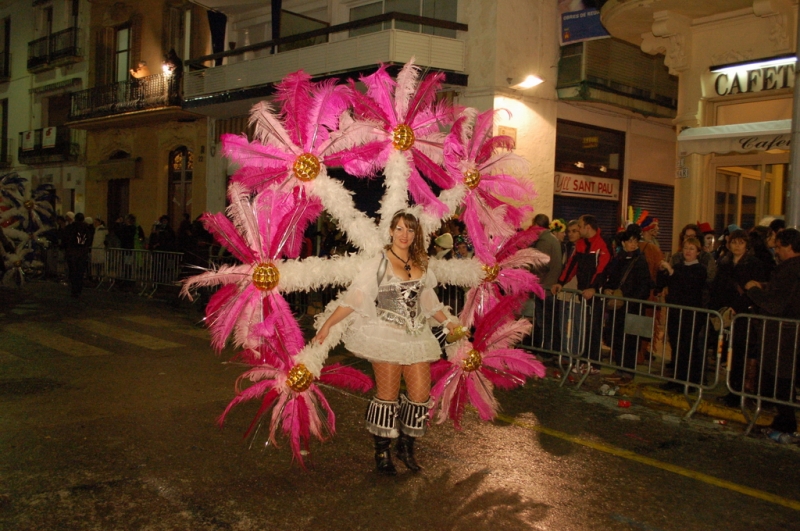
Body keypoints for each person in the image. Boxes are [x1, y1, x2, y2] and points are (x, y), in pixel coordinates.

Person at [314, 211, 464, 475]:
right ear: (391, 231)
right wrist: (328, 324)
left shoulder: (421, 262)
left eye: (410, 230)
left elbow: (428, 301)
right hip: (386, 334)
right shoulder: (379, 262)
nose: (405, 235)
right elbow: (356, 297)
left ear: (416, 234)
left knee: (420, 395)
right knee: (387, 397)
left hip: (416, 337)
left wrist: (449, 322)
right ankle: (382, 452)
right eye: (400, 229)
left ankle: (405, 446)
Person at [745, 228, 800, 442]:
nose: (776, 251)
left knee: (781, 380)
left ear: (789, 247)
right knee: (779, 380)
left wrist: (754, 291)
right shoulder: (789, 269)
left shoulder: (790, 270)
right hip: (783, 332)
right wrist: (763, 286)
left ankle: (786, 423)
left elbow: (776, 302)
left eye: (778, 247)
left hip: (783, 334)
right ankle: (782, 421)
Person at [710, 229, 768, 406]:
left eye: (741, 243)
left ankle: (741, 391)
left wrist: (737, 307)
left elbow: (753, 291)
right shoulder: (724, 263)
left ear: (746, 245)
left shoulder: (754, 264)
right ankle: (732, 389)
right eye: (734, 242)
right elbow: (717, 287)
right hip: (727, 312)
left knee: (742, 352)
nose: (737, 246)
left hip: (744, 314)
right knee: (731, 352)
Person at [552, 214, 610, 370]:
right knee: (584, 328)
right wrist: (560, 282)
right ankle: (582, 361)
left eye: (580, 226)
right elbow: (572, 266)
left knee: (593, 328)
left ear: (587, 227)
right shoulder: (581, 244)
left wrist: (593, 287)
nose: (577, 229)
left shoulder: (602, 244)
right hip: (583, 293)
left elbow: (603, 269)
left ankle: (593, 364)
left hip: (596, 294)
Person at [603, 225, 653, 383]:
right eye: (630, 241)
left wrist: (631, 300)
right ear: (623, 242)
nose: (633, 244)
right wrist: (607, 289)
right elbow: (611, 279)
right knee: (617, 338)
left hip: (632, 307)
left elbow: (645, 285)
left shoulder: (640, 261)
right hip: (619, 306)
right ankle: (620, 368)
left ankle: (628, 372)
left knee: (631, 340)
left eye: (635, 241)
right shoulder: (618, 259)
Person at [657, 237, 707, 389]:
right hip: (675, 313)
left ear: (698, 252)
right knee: (676, 346)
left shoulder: (700, 269)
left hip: (690, 314)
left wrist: (671, 271)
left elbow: (689, 285)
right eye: (686, 248)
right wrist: (662, 271)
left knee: (688, 347)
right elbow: (663, 284)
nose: (688, 251)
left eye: (692, 249)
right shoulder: (678, 266)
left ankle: (689, 381)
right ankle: (677, 378)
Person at [528, 214, 562, 352]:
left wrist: (528, 272)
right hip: (548, 286)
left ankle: (546, 351)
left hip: (544, 287)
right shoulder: (551, 239)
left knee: (545, 323)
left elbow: (540, 265)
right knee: (549, 322)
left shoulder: (544, 241)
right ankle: (549, 351)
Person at [62, 213, 92, 297]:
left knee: (73, 271)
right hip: (82, 253)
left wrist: (65, 248)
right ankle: (78, 289)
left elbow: (65, 239)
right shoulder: (86, 229)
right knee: (80, 272)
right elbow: (89, 240)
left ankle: (74, 289)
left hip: (72, 252)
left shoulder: (70, 228)